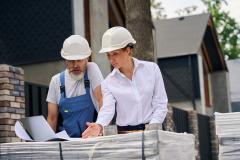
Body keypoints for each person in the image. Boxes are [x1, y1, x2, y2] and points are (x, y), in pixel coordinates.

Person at [82, 26, 168, 138]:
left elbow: (160, 103)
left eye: (115, 53)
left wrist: (152, 128)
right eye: (108, 55)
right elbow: (107, 109)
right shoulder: (108, 82)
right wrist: (99, 125)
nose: (111, 59)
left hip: (153, 131)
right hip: (125, 136)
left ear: (128, 50)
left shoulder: (152, 69)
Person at [46, 35, 103, 137]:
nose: (75, 65)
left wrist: (101, 128)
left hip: (91, 139)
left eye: (79, 60)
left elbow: (102, 102)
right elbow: (52, 118)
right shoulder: (56, 81)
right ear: (65, 60)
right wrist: (48, 144)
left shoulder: (92, 71)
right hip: (67, 143)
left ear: (87, 59)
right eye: (71, 61)